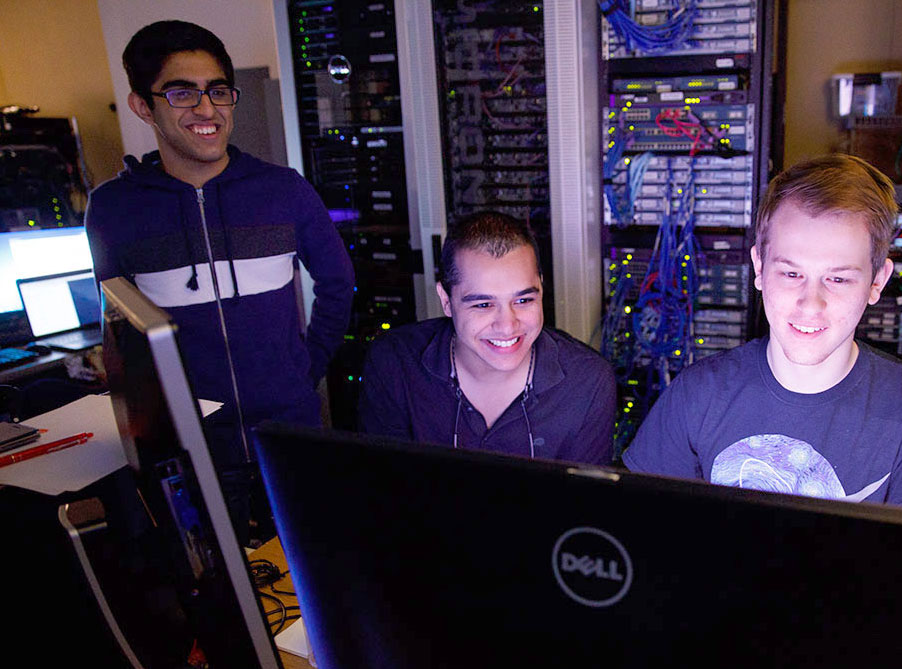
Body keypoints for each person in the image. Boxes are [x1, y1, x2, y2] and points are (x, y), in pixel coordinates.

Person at [86, 21, 354, 542]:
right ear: (143, 106)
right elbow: (121, 330)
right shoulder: (113, 210)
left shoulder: (284, 191)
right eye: (182, 93)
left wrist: (303, 370)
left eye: (218, 91)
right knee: (215, 580)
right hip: (193, 448)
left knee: (314, 570)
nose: (207, 109)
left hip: (289, 433)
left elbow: (338, 284)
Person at [623, 154, 902, 511]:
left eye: (838, 279)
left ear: (877, 282)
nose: (811, 303)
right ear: (759, 267)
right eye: (792, 274)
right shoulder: (696, 394)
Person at [359, 211, 616, 465]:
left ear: (541, 288)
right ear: (446, 301)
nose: (507, 326)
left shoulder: (588, 382)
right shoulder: (393, 364)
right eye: (483, 305)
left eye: (524, 300)